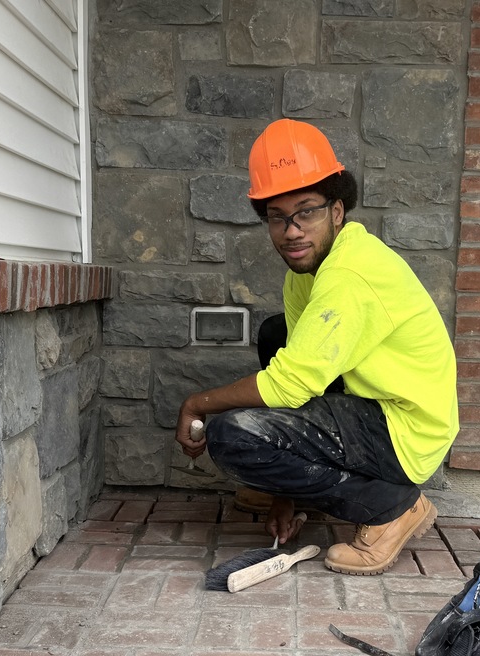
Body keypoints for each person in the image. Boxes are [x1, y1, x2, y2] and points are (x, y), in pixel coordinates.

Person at [175, 118, 459, 575]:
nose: (292, 230)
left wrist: (196, 404)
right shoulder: (302, 277)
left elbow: (291, 386)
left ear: (338, 211)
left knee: (232, 435)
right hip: (368, 405)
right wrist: (284, 492)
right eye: (277, 217)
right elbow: (301, 375)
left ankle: (393, 508)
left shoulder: (349, 274)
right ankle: (305, 487)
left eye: (306, 210)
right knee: (276, 335)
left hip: (406, 426)